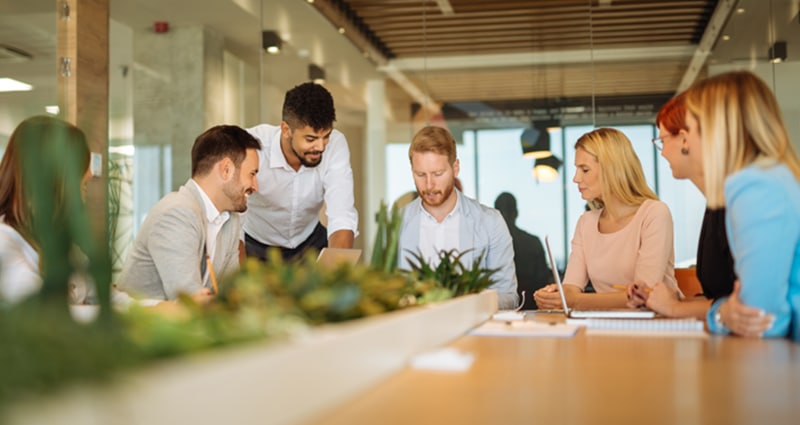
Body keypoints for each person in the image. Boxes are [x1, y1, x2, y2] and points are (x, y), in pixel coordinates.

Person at [683, 71, 800, 340]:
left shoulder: (756, 186)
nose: (686, 143)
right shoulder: (774, 177)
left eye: (690, 130)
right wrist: (725, 312)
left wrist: (718, 315)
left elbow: (760, 318)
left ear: (716, 131)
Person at [627, 93, 741, 322]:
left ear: (685, 139)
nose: (663, 152)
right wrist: (672, 302)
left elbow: (748, 309)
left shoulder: (738, 202)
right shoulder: (714, 204)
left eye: (662, 140)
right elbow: (721, 299)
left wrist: (675, 308)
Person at [534, 127, 677, 310]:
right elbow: (571, 287)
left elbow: (642, 297)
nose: (576, 178)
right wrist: (557, 295)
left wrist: (575, 301)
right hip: (606, 324)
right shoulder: (586, 222)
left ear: (612, 170)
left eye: (584, 170)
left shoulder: (655, 214)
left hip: (658, 326)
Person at [116, 125, 260, 302]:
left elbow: (232, 291)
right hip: (143, 325)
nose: (255, 186)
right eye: (252, 174)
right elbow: (188, 300)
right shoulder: (176, 213)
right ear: (226, 170)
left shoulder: (231, 220)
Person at [396, 126, 518, 310]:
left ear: (455, 168)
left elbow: (509, 297)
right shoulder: (396, 224)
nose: (429, 185)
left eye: (438, 174)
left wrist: (468, 304)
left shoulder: (490, 222)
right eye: (420, 174)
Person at [244, 82, 358, 262]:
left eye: (326, 136)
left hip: (310, 242)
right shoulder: (251, 146)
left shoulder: (336, 145)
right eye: (310, 138)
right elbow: (231, 212)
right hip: (255, 245)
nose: (320, 147)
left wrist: (337, 276)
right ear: (286, 130)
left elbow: (342, 214)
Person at [0, 116, 92, 304]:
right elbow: (46, 314)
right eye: (81, 186)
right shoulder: (4, 242)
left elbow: (110, 297)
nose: (90, 173)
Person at [494, 192, 551, 309]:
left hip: (498, 309)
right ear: (516, 213)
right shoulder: (533, 242)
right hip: (531, 308)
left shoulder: (487, 245)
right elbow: (544, 284)